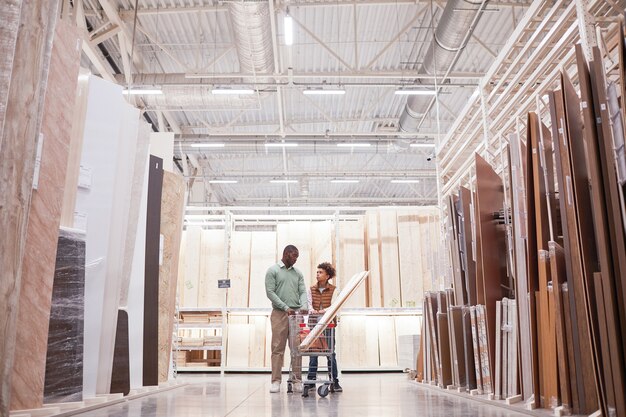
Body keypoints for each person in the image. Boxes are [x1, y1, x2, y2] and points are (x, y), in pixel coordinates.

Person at [265, 245, 308, 394]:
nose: (296, 259)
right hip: (279, 314)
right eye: (294, 256)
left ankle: (297, 380)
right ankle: (276, 381)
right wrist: (284, 307)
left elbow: (302, 291)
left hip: (296, 314)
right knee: (277, 348)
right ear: (286, 254)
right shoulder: (273, 271)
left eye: (297, 256)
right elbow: (270, 292)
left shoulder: (298, 273)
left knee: (297, 348)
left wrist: (304, 306)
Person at [305, 262, 342, 393]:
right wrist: (312, 311)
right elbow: (308, 304)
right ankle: (311, 381)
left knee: (330, 353)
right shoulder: (311, 289)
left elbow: (334, 306)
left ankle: (334, 381)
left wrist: (321, 311)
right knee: (313, 354)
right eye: (317, 272)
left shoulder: (334, 290)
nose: (317, 274)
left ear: (327, 276)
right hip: (314, 325)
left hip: (328, 326)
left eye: (320, 272)